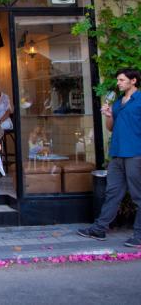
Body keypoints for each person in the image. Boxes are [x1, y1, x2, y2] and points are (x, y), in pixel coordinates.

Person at [78, 68, 141, 248]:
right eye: (118, 80)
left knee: (138, 196)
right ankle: (99, 229)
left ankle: (139, 235)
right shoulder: (119, 102)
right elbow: (111, 127)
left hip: (135, 154)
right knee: (112, 193)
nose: (119, 83)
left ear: (133, 81)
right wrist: (108, 115)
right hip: (117, 154)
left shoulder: (140, 100)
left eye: (122, 80)